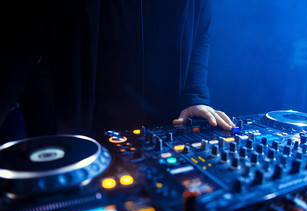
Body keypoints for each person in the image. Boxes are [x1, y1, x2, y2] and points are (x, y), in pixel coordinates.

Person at [0, 0, 234, 142]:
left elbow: (201, 32)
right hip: (83, 125)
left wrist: (194, 96)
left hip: (165, 123)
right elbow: (21, 43)